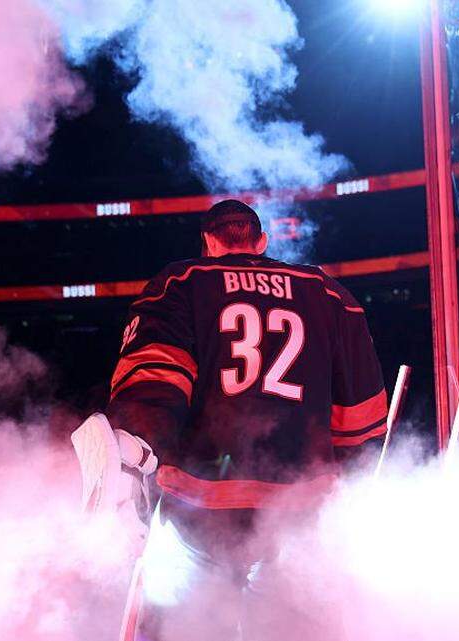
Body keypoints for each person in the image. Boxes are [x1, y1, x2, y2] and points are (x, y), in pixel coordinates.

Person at [92, 199, 387, 641]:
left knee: (188, 631)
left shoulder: (182, 282)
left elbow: (155, 382)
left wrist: (138, 456)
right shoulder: (325, 291)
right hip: (295, 512)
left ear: (209, 243)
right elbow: (361, 417)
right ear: (261, 242)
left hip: (198, 507)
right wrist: (342, 478)